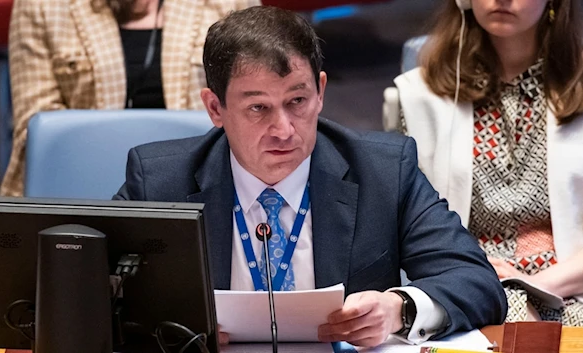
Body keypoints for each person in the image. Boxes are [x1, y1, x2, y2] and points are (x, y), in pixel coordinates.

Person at [114, 6, 506, 347]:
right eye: (258, 108)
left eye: (297, 101)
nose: (284, 129)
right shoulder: (160, 181)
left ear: (320, 91)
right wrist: (168, 329)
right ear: (215, 108)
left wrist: (399, 308)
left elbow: (475, 280)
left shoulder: (384, 171)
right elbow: (93, 291)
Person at [394, 0, 583, 325]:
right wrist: (489, 289)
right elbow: (409, 229)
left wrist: (531, 286)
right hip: (466, 289)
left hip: (574, 286)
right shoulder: (417, 95)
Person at [0, 0, 260, 197]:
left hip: (199, 186)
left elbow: (252, 107)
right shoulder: (41, 5)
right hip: (80, 186)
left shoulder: (229, 3)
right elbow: (36, 130)